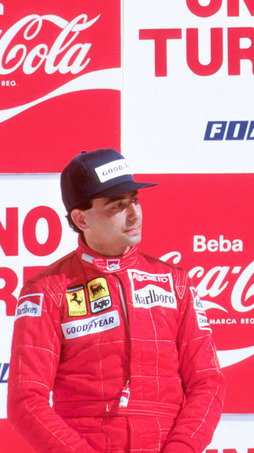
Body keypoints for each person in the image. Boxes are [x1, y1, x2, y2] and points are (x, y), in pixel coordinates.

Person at [8, 149, 226, 453]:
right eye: (118, 205)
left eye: (135, 200)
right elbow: (25, 402)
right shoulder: (46, 290)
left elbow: (208, 383)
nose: (135, 213)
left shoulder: (175, 282)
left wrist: (182, 449)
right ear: (81, 218)